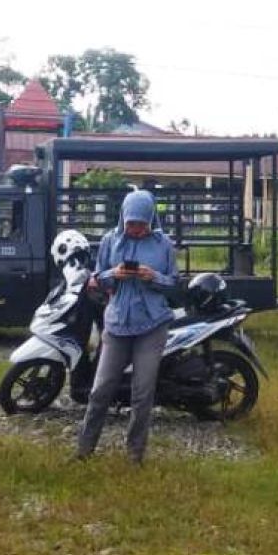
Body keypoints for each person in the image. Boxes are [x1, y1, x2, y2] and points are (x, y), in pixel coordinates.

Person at [75, 189, 178, 464]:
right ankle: (83, 451)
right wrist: (113, 274)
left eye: (141, 224)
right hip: (117, 324)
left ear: (151, 219)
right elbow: (97, 279)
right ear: (123, 218)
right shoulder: (110, 240)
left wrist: (153, 276)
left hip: (152, 326)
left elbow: (174, 284)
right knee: (100, 390)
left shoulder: (164, 244)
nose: (136, 229)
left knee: (142, 393)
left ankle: (135, 455)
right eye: (131, 223)